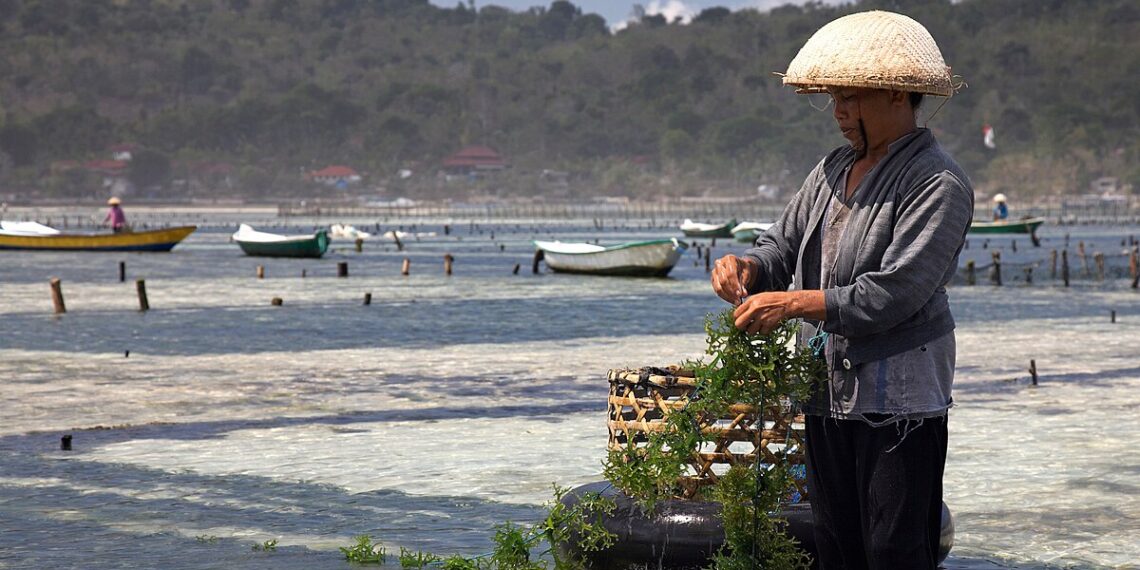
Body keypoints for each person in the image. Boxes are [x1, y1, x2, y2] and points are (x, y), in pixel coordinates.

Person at [709, 11, 973, 570]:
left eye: (852, 98)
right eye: (833, 98)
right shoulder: (831, 170)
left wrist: (796, 303)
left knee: (895, 552)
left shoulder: (937, 182)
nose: (839, 114)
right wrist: (747, 269)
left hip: (900, 402)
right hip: (827, 391)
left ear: (900, 96)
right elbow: (780, 246)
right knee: (836, 548)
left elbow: (896, 293)